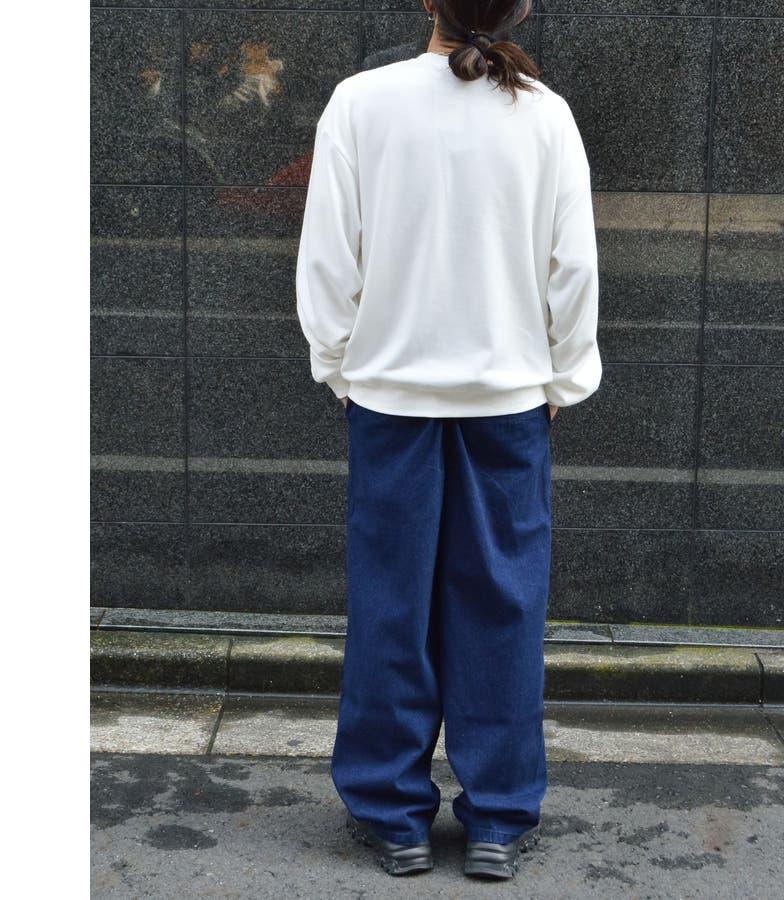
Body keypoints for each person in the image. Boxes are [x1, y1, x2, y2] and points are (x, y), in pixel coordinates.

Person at [295, 0, 601, 881]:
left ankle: (392, 814)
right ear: (521, 7)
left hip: (390, 399)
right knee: (503, 608)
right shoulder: (544, 115)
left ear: (428, 1)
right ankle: (498, 815)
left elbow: (329, 260)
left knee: (389, 608)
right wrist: (562, 378)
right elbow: (573, 266)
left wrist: (342, 368)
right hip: (508, 401)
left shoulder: (361, 101)